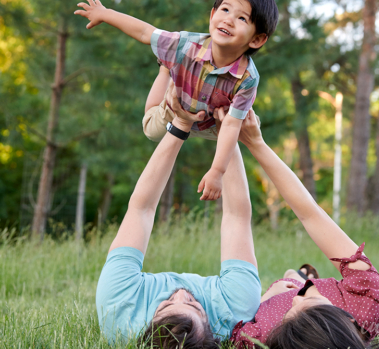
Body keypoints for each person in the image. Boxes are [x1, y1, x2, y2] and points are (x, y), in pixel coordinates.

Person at [74, 0, 279, 201]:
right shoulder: (183, 44)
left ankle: (169, 65)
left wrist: (216, 172)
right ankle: (166, 68)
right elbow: (145, 32)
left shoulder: (248, 79)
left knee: (249, 127)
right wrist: (105, 14)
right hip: (177, 107)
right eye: (225, 10)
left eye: (242, 18)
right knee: (151, 130)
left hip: (213, 121)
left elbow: (230, 125)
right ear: (212, 15)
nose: (229, 19)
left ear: (256, 39)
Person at [95, 94, 261, 347]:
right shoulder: (235, 312)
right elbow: (237, 217)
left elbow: (142, 209)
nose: (182, 294)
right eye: (194, 305)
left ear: (148, 323)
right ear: (211, 326)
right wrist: (227, 130)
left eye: (168, 304)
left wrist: (180, 126)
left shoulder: (119, 306)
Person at [223, 108, 379, 348]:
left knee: (290, 278)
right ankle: (301, 275)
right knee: (295, 278)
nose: (297, 299)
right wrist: (256, 143)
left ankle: (298, 275)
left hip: (273, 298)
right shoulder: (365, 301)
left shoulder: (258, 338)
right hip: (327, 292)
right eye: (310, 301)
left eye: (290, 313)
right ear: (347, 319)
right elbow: (309, 214)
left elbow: (236, 218)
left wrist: (263, 300)